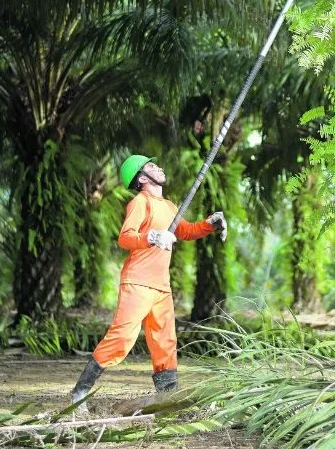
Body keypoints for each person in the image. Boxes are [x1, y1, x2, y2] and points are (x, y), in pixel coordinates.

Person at [71, 155, 227, 409]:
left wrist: (210, 223)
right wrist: (152, 236)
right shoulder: (139, 202)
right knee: (122, 338)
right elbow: (125, 237)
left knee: (165, 343)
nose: (159, 167)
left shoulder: (167, 205)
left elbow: (185, 231)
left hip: (161, 287)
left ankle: (168, 398)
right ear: (142, 178)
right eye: (152, 166)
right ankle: (80, 392)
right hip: (138, 282)